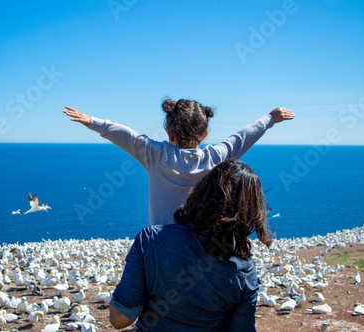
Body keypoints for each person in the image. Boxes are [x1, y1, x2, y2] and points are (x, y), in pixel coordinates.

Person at [63, 99, 294, 226]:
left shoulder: (155, 155)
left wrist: (93, 121)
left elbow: (125, 134)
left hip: (161, 244)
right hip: (202, 246)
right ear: (204, 134)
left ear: (167, 130)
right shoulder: (216, 157)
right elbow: (243, 136)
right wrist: (270, 118)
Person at [108, 159, 273, 331]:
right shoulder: (244, 270)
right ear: (251, 212)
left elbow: (119, 319)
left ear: (203, 190)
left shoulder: (150, 240)